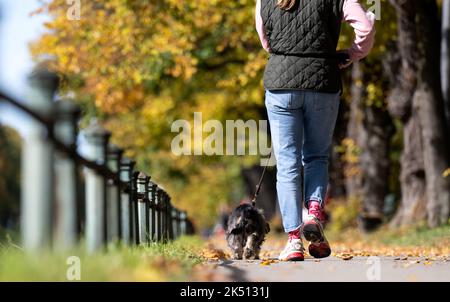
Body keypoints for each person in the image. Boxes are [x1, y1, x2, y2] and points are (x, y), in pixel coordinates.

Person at [256, 0, 375, 261]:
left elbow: (265, 40)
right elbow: (365, 27)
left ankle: (293, 241)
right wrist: (351, 54)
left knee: (287, 164)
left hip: (280, 85)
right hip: (323, 81)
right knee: (316, 157)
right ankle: (313, 213)